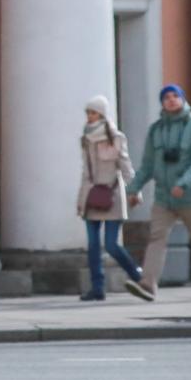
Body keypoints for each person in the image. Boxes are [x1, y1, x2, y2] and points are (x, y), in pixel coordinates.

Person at [126, 84, 191, 300]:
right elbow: (147, 164)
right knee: (156, 238)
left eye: (175, 96)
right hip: (163, 197)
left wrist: (183, 183)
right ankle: (148, 285)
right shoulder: (156, 129)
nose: (171, 100)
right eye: (166, 97)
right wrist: (133, 188)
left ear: (183, 99)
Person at [77, 96, 152, 302]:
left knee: (111, 245)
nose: (90, 117)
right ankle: (97, 288)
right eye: (88, 113)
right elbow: (86, 172)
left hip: (113, 196)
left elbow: (126, 166)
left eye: (93, 113)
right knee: (93, 246)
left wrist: (135, 191)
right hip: (92, 196)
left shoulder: (116, 137)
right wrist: (80, 199)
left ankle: (138, 276)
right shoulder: (86, 138)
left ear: (101, 114)